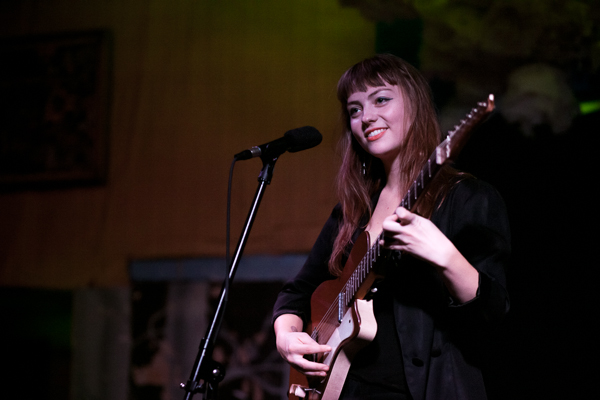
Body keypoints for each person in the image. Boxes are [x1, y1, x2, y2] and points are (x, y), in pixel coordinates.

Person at [272, 54, 510, 400]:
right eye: (354, 110)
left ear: (415, 104)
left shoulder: (469, 198)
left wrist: (445, 256)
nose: (366, 117)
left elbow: (494, 316)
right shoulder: (352, 211)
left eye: (381, 99)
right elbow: (296, 294)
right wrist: (287, 335)